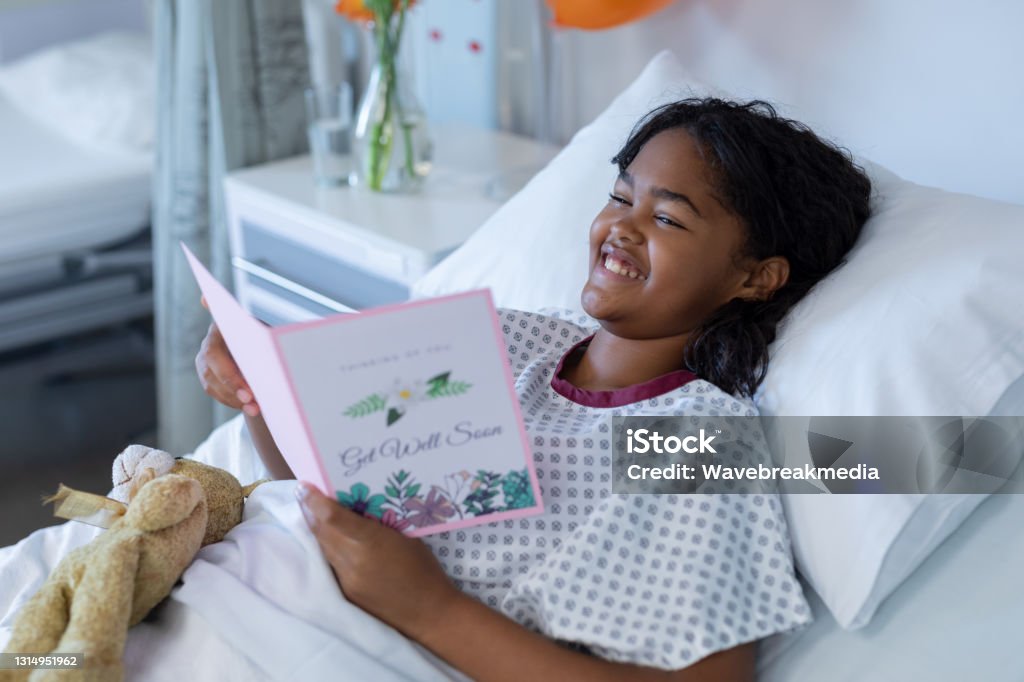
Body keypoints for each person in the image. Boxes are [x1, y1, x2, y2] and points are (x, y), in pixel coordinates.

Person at [196, 98, 872, 681]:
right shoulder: (500, 337)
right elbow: (320, 483)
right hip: (246, 583)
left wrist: (429, 607)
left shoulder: (693, 441)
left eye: (668, 219)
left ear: (755, 278)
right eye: (620, 197)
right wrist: (257, 391)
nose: (622, 227)